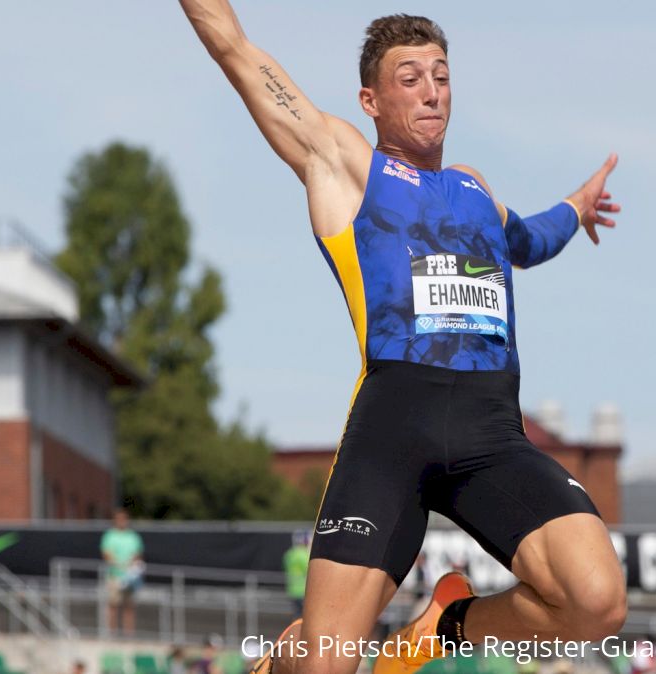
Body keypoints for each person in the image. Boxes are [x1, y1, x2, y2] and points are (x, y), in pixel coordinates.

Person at [178, 3, 628, 674]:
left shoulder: (474, 189)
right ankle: (283, 659)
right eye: (410, 76)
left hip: (492, 435)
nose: (431, 90)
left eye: (441, 76)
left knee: (596, 603)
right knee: (329, 663)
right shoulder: (348, 166)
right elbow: (235, 50)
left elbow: (528, 241)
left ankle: (443, 627)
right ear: (371, 99)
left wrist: (575, 207)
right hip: (393, 435)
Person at [100, 507, 144, 636]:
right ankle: (112, 634)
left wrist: (131, 568)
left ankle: (129, 635)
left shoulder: (133, 537)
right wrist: (117, 565)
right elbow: (106, 553)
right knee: (113, 605)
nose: (122, 521)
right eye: (119, 518)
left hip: (130, 578)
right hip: (114, 576)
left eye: (124, 518)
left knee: (129, 606)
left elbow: (138, 553)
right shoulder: (110, 536)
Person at [282, 530, 310, 619]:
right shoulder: (304, 555)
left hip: (292, 590)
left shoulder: (289, 554)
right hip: (304, 590)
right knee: (306, 618)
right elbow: (309, 571)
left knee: (296, 617)